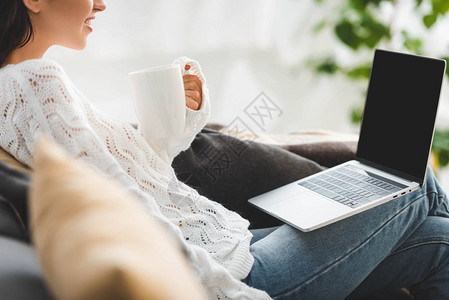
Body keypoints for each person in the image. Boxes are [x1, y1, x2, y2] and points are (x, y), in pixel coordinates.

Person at [0, 0, 448, 299]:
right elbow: (128, 204)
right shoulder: (37, 83)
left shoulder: (20, 88)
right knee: (407, 175)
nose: (100, 3)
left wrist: (176, 115)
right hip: (237, 277)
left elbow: (140, 176)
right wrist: (229, 292)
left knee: (442, 241)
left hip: (236, 249)